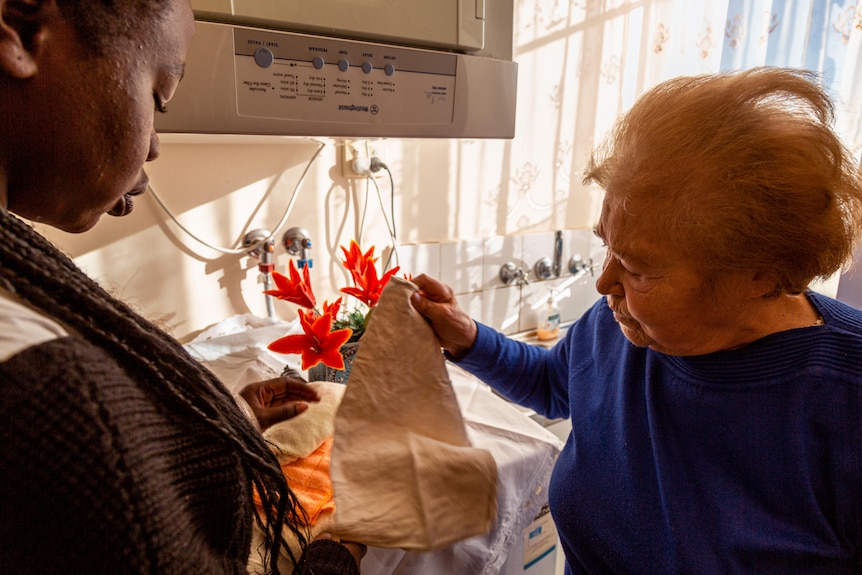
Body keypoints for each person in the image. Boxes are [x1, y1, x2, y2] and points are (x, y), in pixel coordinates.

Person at [410, 67, 862, 573]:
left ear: (759, 277)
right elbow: (555, 383)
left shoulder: (844, 401)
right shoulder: (621, 327)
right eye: (607, 245)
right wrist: (466, 336)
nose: (604, 284)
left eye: (638, 267)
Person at [0, 0, 364, 573]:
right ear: (20, 32)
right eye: (158, 97)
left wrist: (228, 423)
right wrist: (337, 550)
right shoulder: (52, 396)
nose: (154, 145)